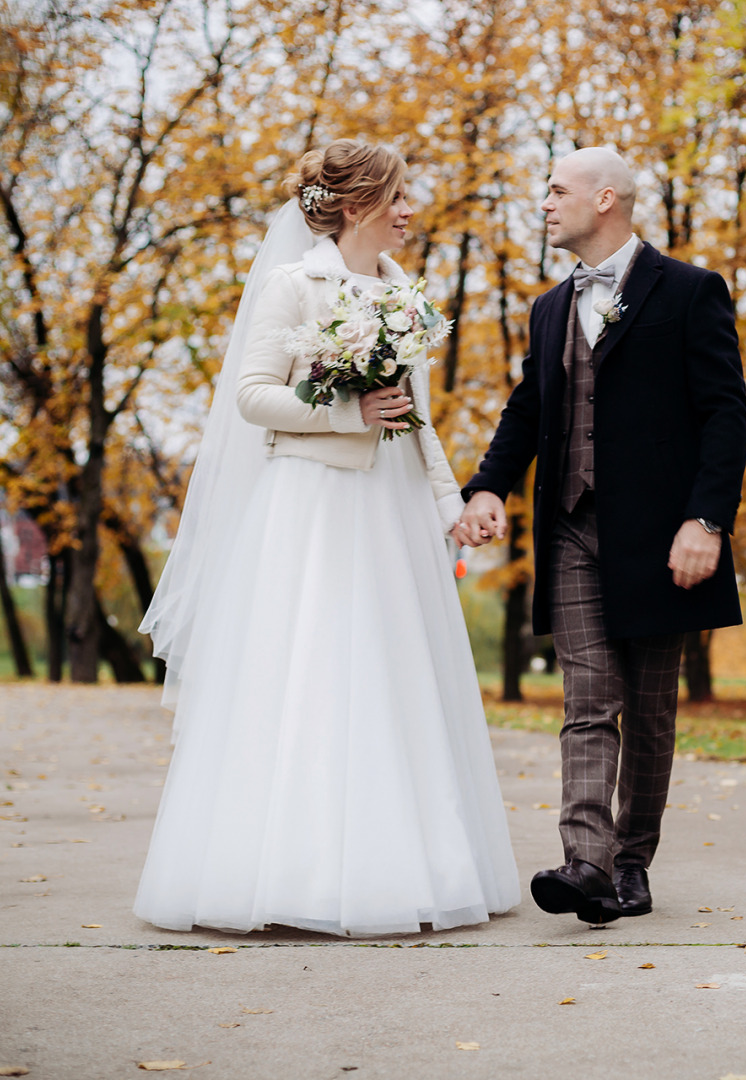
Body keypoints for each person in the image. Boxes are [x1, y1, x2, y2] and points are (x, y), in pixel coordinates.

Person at [134, 140, 520, 936]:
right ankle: (288, 875)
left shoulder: (402, 289)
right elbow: (252, 396)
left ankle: (409, 864)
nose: (410, 210)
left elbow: (411, 414)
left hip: (390, 507)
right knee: (309, 672)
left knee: (393, 673)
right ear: (354, 204)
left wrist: (451, 501)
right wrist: (344, 413)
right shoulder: (293, 284)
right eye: (397, 197)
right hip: (311, 504)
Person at [456, 147, 746, 924]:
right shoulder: (550, 307)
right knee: (588, 700)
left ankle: (630, 862)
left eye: (557, 191)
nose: (545, 204)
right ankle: (584, 862)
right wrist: (488, 483)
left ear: (606, 198)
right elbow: (531, 407)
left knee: (649, 712)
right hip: (572, 532)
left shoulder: (689, 291)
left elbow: (725, 411)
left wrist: (707, 519)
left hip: (663, 539)